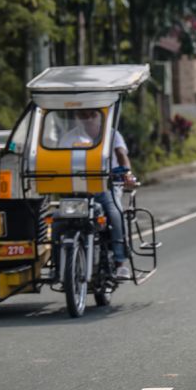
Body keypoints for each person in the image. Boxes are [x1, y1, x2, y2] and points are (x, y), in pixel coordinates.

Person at [58, 109, 137, 279]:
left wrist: (127, 173)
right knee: (57, 219)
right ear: (77, 117)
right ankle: (57, 264)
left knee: (115, 212)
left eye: (92, 114)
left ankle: (120, 262)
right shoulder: (69, 138)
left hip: (106, 186)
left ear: (99, 116)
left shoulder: (112, 135)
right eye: (83, 115)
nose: (88, 118)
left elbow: (121, 155)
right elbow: (59, 160)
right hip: (77, 189)